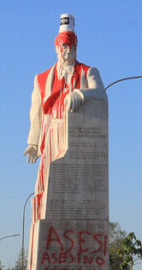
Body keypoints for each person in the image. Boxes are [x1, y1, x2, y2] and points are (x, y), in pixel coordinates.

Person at [23, 13, 106, 166]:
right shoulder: (41, 78)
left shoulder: (88, 72)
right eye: (64, 46)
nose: (68, 50)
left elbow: (101, 94)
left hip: (75, 132)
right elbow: (36, 113)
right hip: (51, 133)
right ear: (56, 48)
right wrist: (33, 143)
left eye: (72, 46)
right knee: (48, 180)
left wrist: (80, 93)